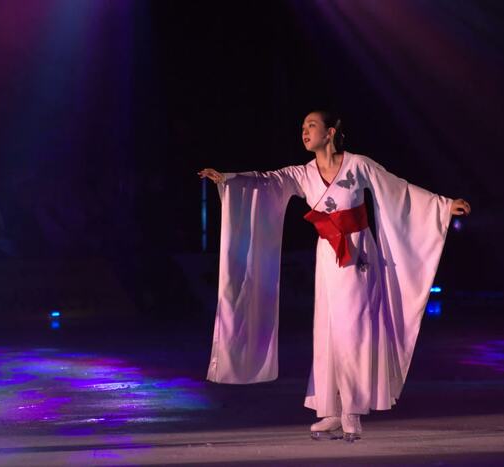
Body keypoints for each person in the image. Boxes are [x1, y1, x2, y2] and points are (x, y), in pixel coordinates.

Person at [198, 111, 471, 442]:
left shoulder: (357, 165)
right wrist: (230, 180)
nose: (304, 131)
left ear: (329, 133)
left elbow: (397, 188)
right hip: (328, 255)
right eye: (302, 127)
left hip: (359, 255)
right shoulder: (303, 173)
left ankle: (352, 408)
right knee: (327, 329)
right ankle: (330, 407)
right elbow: (267, 181)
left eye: (311, 126)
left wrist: (443, 205)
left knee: (354, 329)